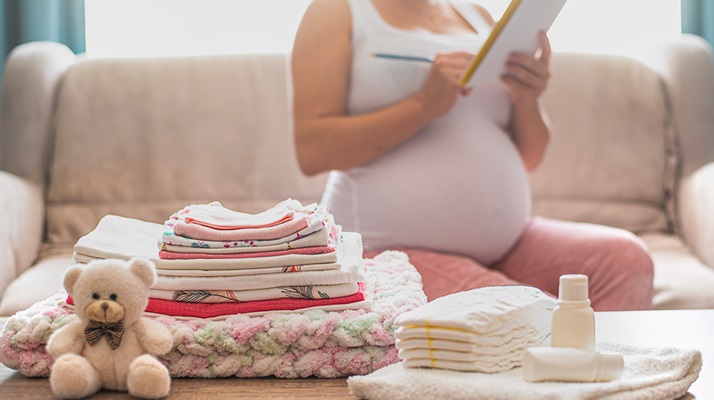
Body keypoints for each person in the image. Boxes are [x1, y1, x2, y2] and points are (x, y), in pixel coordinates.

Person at [291, 0, 654, 311]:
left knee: (625, 261)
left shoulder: (478, 17)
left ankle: (605, 385)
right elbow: (312, 151)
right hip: (387, 251)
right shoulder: (339, 11)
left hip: (508, 241)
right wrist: (422, 105)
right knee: (524, 312)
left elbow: (529, 157)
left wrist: (529, 98)